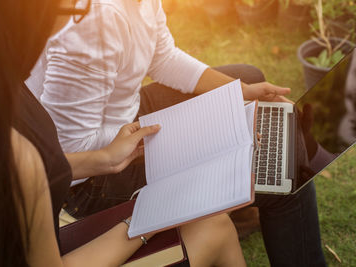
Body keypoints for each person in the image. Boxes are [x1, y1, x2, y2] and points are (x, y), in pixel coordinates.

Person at [27, 1, 327, 266]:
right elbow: (69, 146)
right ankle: (250, 201)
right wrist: (191, 129)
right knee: (289, 178)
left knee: (249, 78)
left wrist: (240, 91)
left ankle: (241, 211)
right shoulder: (96, 21)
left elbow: (163, 57)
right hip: (87, 183)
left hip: (123, 116)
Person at [0, 0, 248, 266]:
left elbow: (29, 169)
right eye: (69, 8)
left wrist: (103, 159)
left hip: (44, 218)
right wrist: (139, 224)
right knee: (214, 226)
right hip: (54, 237)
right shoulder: (9, 147)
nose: (73, 16)